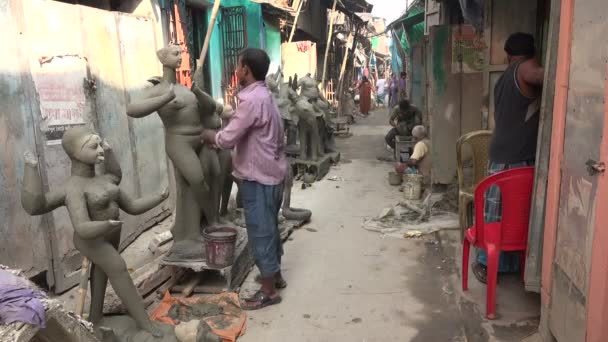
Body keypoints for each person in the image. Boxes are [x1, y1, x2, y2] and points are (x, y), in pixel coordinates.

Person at [201, 48, 288, 310]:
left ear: (246, 70)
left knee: (261, 232)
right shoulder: (266, 95)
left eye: (238, 66)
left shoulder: (251, 101)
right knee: (270, 227)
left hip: (259, 177)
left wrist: (209, 135)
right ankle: (275, 275)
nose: (235, 71)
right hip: (273, 172)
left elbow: (228, 138)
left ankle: (269, 291)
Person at [472, 32, 544, 284]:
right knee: (503, 214)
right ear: (530, 54)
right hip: (512, 158)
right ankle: (486, 262)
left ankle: (504, 264)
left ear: (508, 55)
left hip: (503, 154)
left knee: (502, 212)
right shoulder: (525, 68)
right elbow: (537, 75)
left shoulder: (504, 77)